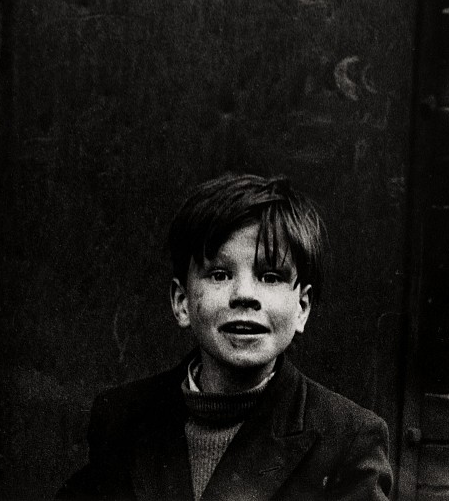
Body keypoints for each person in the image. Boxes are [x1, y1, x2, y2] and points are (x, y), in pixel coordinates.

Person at [58, 173, 392, 500]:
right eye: (219, 274)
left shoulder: (347, 439)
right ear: (182, 302)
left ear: (302, 307)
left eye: (270, 276)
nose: (244, 294)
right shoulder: (122, 420)